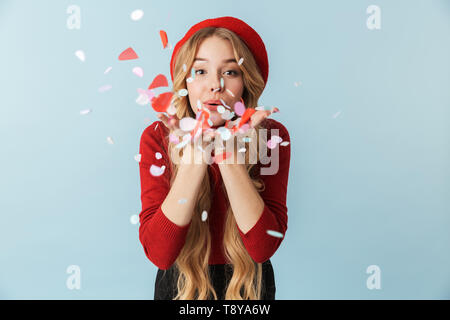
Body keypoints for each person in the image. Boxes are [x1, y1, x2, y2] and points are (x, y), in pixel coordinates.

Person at [138, 16, 291, 300]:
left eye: (231, 72)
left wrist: (226, 154)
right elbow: (159, 253)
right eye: (200, 71)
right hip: (180, 285)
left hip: (249, 285)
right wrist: (196, 156)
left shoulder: (272, 136)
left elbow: (262, 248)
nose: (215, 85)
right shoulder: (157, 137)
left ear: (246, 83)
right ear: (185, 81)